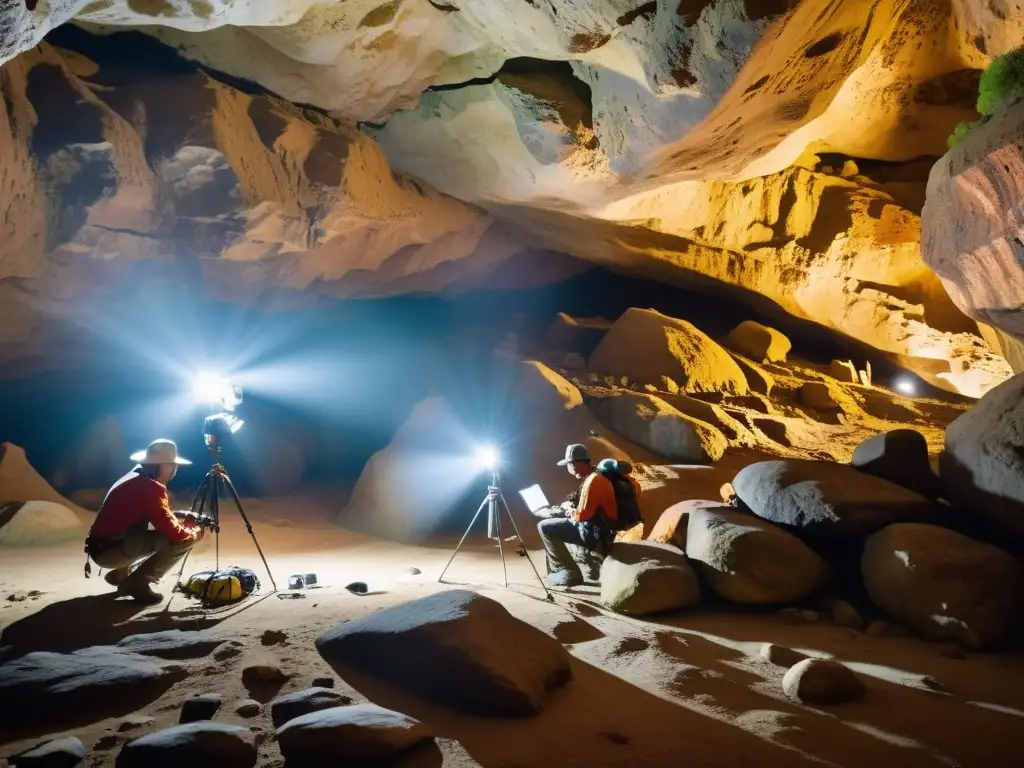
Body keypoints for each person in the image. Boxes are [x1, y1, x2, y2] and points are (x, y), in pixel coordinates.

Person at [85, 439, 205, 604]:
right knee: (184, 540)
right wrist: (194, 531)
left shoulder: (135, 477)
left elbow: (152, 512)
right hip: (110, 551)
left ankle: (121, 574)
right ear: (160, 466)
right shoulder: (150, 488)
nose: (174, 471)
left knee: (147, 533)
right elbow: (174, 532)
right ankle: (137, 583)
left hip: (102, 546)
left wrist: (178, 515)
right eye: (172, 466)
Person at [537, 444, 641, 588]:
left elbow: (582, 516)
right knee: (559, 523)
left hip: (593, 534)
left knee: (544, 526)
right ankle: (585, 565)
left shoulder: (594, 481)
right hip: (605, 532)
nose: (570, 469)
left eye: (569, 465)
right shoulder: (600, 476)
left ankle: (567, 573)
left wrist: (568, 510)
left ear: (574, 464)